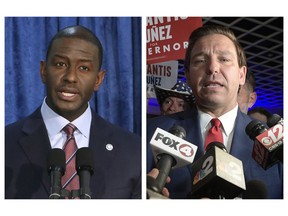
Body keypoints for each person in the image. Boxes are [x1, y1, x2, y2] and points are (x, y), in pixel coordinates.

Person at [147, 24, 283, 199]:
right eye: (200, 61)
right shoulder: (151, 131)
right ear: (188, 76)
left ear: (242, 74)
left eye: (224, 59)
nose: (212, 68)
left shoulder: (276, 142)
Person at [5, 25, 141, 199]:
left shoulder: (133, 151)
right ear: (43, 71)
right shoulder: (6, 143)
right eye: (60, 64)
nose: (70, 77)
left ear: (98, 79)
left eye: (84, 68)